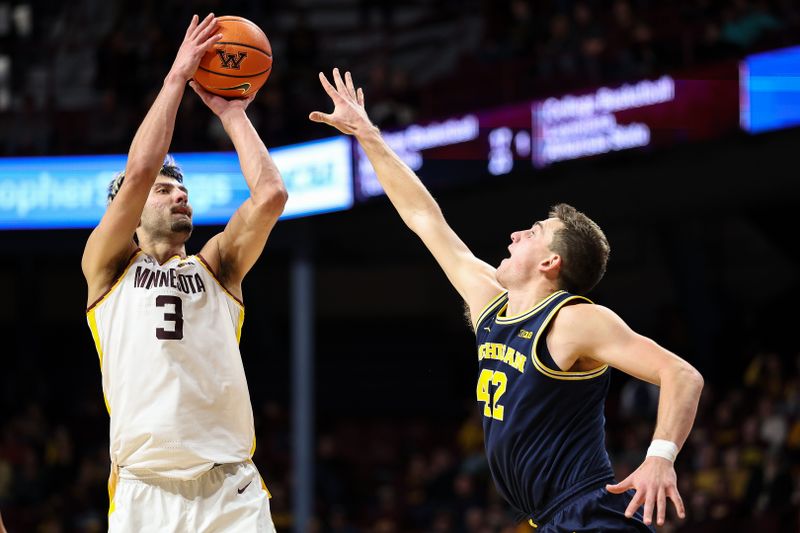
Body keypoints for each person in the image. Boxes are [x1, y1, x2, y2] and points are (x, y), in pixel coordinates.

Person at [310, 68, 704, 531]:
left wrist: (660, 457)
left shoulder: (573, 321)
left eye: (533, 233)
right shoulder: (489, 303)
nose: (516, 234)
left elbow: (682, 374)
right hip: (546, 520)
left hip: (586, 515)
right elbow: (423, 216)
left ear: (550, 262)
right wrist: (368, 134)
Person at [81, 14, 287, 532]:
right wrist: (176, 79)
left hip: (230, 489)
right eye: (165, 189)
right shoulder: (107, 269)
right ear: (127, 211)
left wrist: (232, 111)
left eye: (183, 187)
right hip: (144, 491)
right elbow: (140, 173)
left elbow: (271, 196)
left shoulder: (217, 268)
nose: (180, 192)